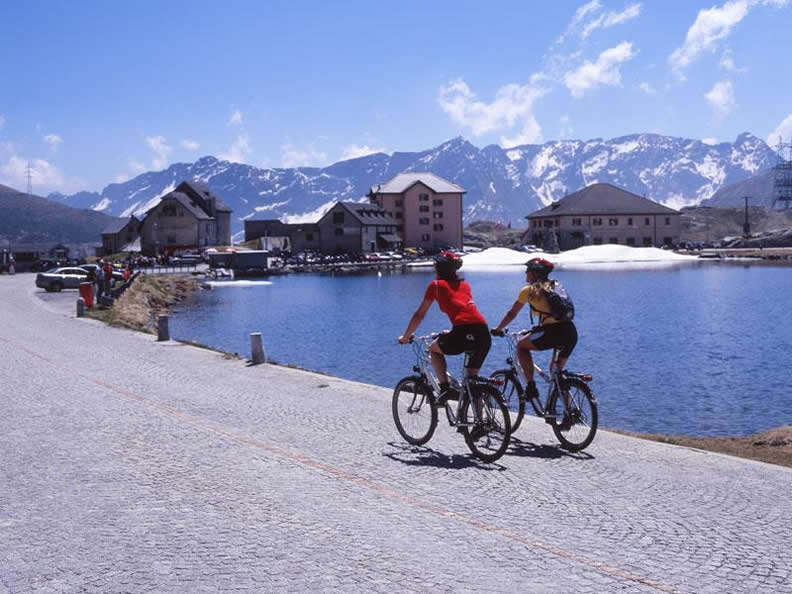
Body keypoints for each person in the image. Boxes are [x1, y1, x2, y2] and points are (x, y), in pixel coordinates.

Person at [398, 251, 491, 404]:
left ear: (438, 269)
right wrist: (453, 332)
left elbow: (419, 315)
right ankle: (480, 422)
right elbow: (465, 313)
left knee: (434, 349)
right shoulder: (464, 285)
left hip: (463, 331)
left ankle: (445, 389)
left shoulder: (435, 285)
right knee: (472, 382)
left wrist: (406, 336)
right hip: (482, 332)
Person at [491, 257, 578, 407]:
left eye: (528, 271)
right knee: (556, 371)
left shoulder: (529, 291)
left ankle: (531, 387)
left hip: (552, 332)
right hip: (570, 331)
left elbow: (512, 313)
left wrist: (498, 329)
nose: (526, 273)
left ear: (535, 273)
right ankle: (570, 412)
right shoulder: (555, 285)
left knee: (521, 347)